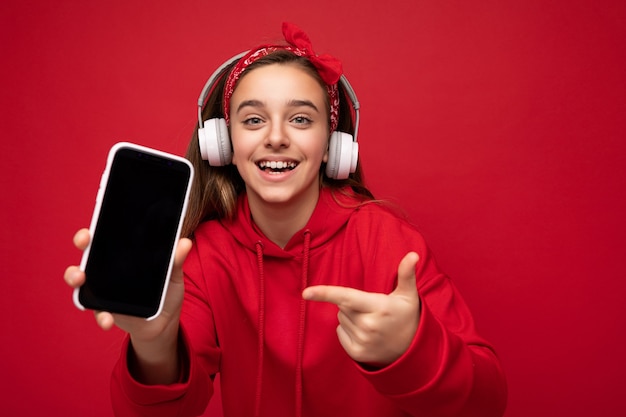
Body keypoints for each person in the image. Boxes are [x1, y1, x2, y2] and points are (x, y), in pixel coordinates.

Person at [65, 22, 507, 417]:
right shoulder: (202, 255)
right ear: (222, 143)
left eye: (300, 119)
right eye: (253, 119)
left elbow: (487, 403)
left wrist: (411, 348)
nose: (276, 138)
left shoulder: (386, 240)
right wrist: (154, 343)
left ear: (333, 145)